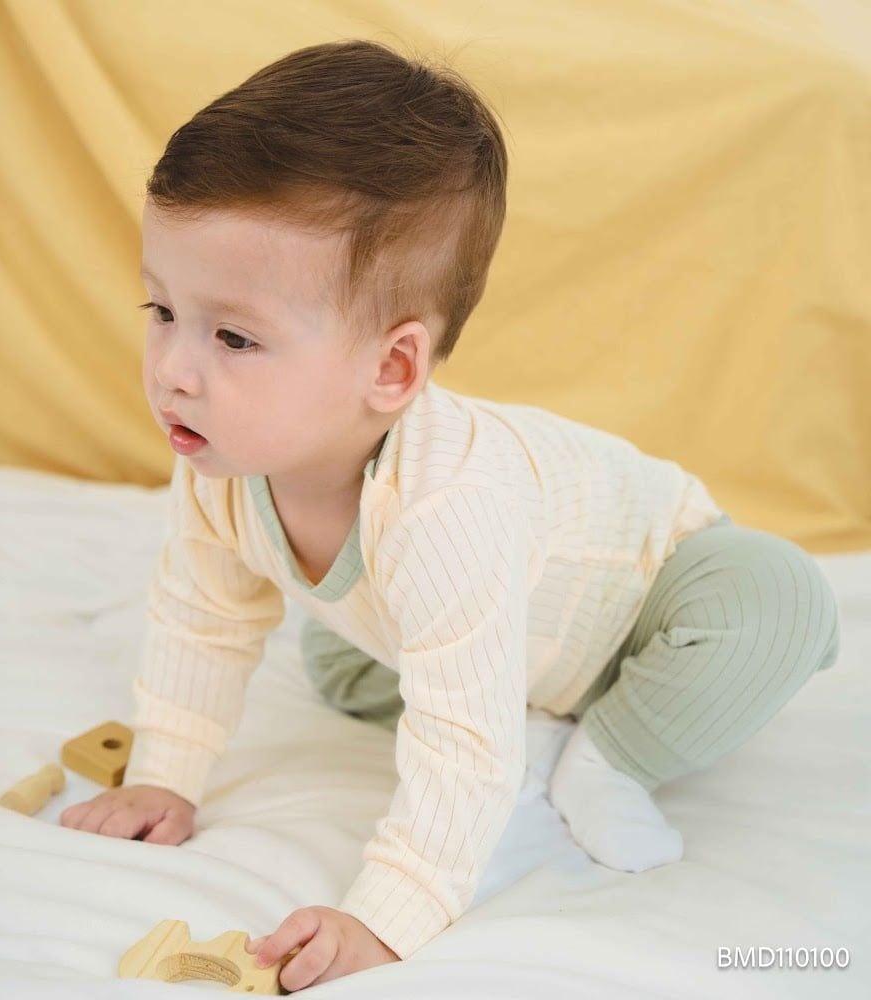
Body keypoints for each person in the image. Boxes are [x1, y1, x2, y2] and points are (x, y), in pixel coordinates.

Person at [59, 38, 841, 991]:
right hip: (486, 638)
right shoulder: (222, 464)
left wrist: (386, 917)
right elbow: (203, 618)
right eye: (160, 310)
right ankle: (522, 711)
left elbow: (461, 750)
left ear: (391, 369)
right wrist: (165, 775)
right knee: (339, 662)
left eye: (232, 336)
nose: (174, 371)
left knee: (777, 602)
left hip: (648, 598)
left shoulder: (447, 504)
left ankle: (606, 754)